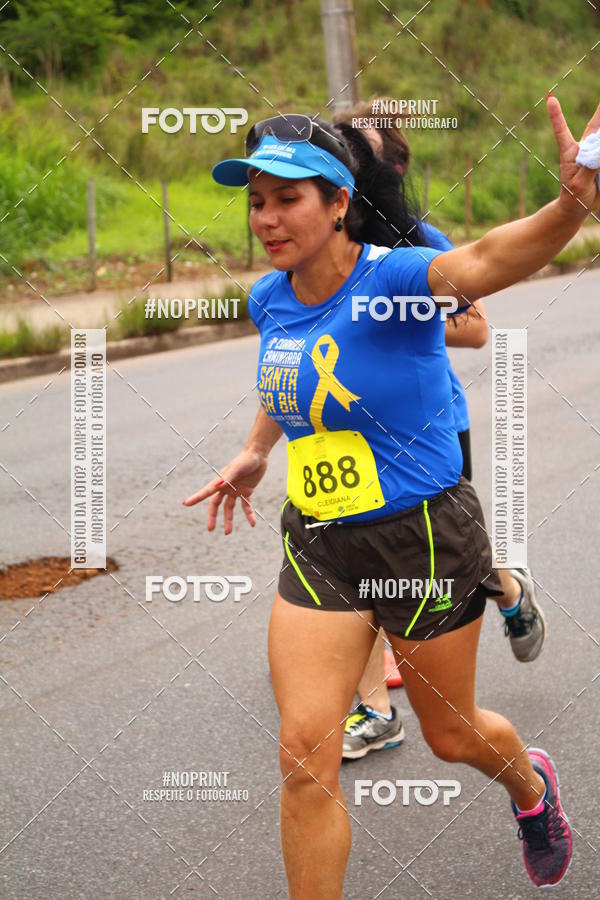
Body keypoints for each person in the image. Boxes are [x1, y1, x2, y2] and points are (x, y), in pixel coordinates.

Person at [184, 96, 597, 892]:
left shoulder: (396, 278)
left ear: (339, 202)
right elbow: (289, 373)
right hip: (319, 542)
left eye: (288, 198)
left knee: (452, 735)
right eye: (257, 202)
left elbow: (488, 260)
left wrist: (569, 208)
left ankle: (531, 786)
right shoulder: (269, 297)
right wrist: (255, 451)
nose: (266, 219)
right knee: (304, 754)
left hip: (423, 537)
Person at [328, 114, 545, 760]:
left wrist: (390, 315)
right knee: (359, 575)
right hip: (344, 441)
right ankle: (375, 711)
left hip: (430, 429)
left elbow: (475, 329)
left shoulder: (420, 243)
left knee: (456, 559)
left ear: (385, 172)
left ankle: (509, 587)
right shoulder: (316, 250)